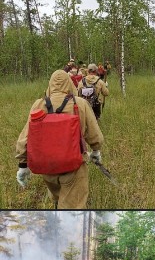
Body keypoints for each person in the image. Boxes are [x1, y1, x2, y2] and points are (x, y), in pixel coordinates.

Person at [15, 69, 104, 209]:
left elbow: (25, 138)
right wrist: (96, 151)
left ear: (50, 85)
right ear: (69, 84)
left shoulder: (39, 104)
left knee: (57, 198)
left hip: (47, 167)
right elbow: (94, 134)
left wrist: (22, 165)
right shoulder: (80, 103)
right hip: (73, 167)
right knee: (73, 208)